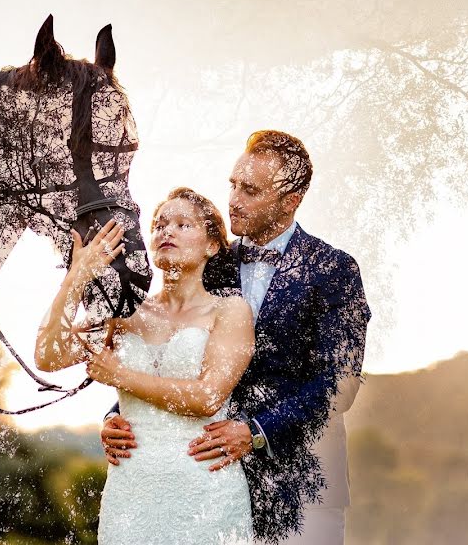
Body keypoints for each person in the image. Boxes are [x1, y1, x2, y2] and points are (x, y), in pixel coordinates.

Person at [101, 130, 371, 543]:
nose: (233, 200)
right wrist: (117, 417)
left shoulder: (333, 269)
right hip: (207, 486)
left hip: (301, 485)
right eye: (232, 184)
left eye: (250, 190)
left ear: (291, 199)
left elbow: (340, 384)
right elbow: (162, 343)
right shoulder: (207, 259)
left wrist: (257, 429)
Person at [35, 189, 256, 544]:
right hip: (131, 494)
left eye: (183, 224)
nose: (167, 231)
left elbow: (207, 396)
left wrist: (120, 376)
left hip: (207, 491)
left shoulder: (230, 311)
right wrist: (76, 277)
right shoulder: (125, 315)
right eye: (159, 225)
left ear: (212, 245)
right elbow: (49, 355)